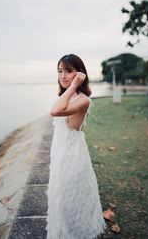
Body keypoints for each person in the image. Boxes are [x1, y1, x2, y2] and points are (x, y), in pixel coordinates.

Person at [46, 54, 107, 238]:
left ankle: (76, 232)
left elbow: (54, 111)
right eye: (60, 71)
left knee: (70, 195)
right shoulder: (67, 96)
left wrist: (73, 86)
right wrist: (70, 88)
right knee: (60, 195)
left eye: (69, 71)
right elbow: (59, 107)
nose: (63, 76)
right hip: (60, 151)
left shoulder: (83, 99)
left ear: (80, 74)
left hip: (72, 153)